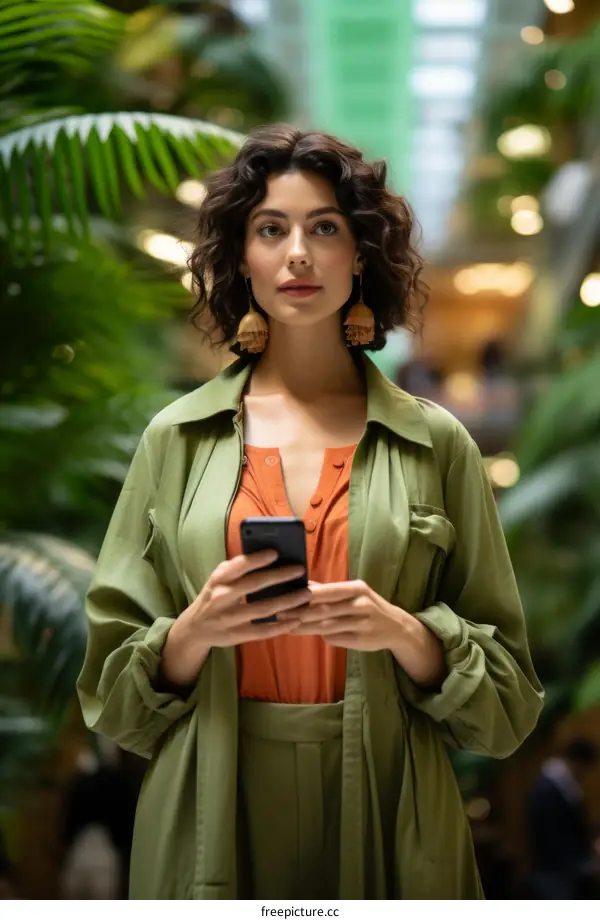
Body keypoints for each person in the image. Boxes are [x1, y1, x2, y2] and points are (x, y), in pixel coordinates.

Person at [76, 124, 544, 900]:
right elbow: (112, 701)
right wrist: (193, 633)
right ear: (244, 258)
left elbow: (507, 708)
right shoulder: (175, 440)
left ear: (358, 254)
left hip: (393, 800)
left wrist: (405, 632)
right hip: (210, 800)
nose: (298, 252)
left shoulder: (437, 444)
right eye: (271, 229)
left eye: (324, 227)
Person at [529, 738, 599, 899]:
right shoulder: (550, 788)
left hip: (559, 869)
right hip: (555, 871)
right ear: (577, 762)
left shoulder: (559, 785)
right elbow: (553, 836)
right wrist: (584, 863)